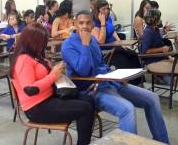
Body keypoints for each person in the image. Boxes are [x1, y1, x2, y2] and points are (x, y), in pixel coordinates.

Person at [62, 10, 169, 144]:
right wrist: (84, 44)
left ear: (92, 25)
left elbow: (101, 64)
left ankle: (162, 141)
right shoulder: (68, 45)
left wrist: (116, 76)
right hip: (92, 89)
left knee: (152, 98)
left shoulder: (93, 40)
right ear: (75, 24)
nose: (84, 26)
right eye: (81, 23)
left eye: (88, 23)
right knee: (127, 109)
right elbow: (83, 72)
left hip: (111, 82)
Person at [11, 23, 94, 145]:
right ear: (32, 41)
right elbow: (30, 90)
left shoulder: (35, 56)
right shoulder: (23, 60)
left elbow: (45, 76)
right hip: (36, 108)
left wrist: (55, 70)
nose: (44, 46)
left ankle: (84, 136)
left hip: (48, 97)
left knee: (89, 100)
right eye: (42, 42)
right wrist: (52, 76)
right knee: (85, 109)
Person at [142, 9, 178, 109]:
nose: (160, 19)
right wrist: (162, 49)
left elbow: (162, 45)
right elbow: (144, 52)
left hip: (162, 60)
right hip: (153, 63)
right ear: (154, 18)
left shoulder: (155, 30)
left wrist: (176, 42)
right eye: (159, 17)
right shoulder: (148, 32)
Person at [92, 0, 141, 84]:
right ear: (98, 10)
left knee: (133, 54)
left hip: (114, 47)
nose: (106, 11)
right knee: (124, 60)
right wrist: (102, 23)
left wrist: (121, 43)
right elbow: (101, 41)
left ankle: (138, 81)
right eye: (103, 9)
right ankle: (129, 83)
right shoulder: (95, 23)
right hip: (105, 51)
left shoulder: (109, 18)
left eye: (107, 9)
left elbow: (113, 32)